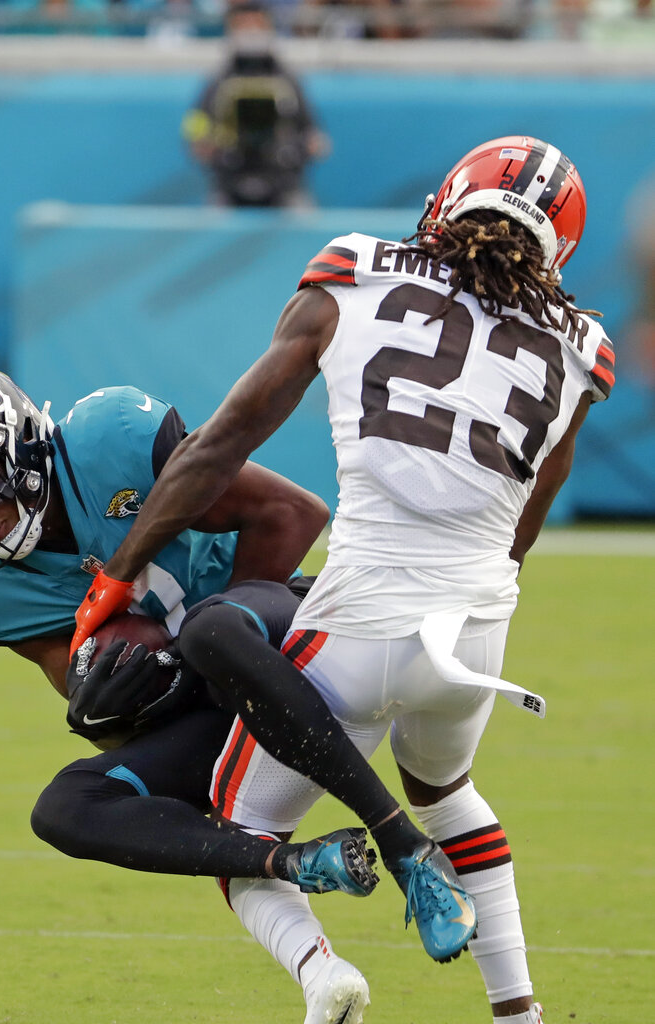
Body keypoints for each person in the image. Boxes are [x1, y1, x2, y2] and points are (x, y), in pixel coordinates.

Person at [70, 135, 616, 1024]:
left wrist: (119, 577)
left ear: (449, 201)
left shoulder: (355, 271)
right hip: (476, 639)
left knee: (239, 841)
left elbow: (219, 445)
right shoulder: (581, 348)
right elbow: (527, 520)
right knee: (443, 789)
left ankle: (327, 976)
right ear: (557, 246)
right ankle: (519, 1015)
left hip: (356, 626)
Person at [0, 364, 386, 1022]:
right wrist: (103, 707)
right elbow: (104, 711)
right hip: (208, 706)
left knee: (211, 631)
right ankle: (295, 863)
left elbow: (293, 513)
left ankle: (395, 838)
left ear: (16, 445)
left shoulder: (109, 437)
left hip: (279, 646)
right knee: (66, 806)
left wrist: (214, 645)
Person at [182, 0, 330, 208]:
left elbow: (313, 134)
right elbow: (195, 127)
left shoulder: (288, 80)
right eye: (242, 25)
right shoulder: (217, 81)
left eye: (257, 24)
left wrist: (301, 147)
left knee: (303, 211)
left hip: (283, 181)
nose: (250, 31)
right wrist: (205, 144)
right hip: (229, 180)